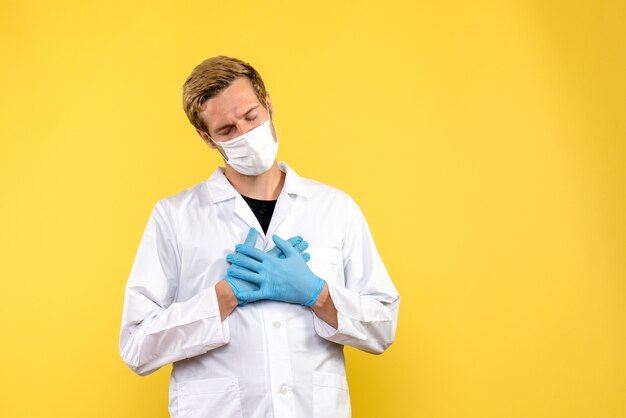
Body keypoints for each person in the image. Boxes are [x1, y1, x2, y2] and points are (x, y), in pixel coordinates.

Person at [119, 56, 400, 418]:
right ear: (206, 138)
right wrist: (222, 298)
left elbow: (383, 328)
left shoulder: (335, 208)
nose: (245, 135)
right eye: (226, 130)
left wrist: (318, 295)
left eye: (251, 117)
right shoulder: (174, 217)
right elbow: (137, 348)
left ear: (268, 104)